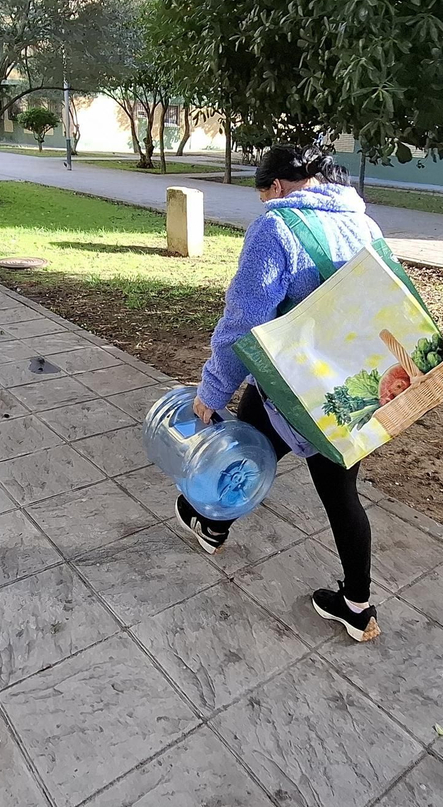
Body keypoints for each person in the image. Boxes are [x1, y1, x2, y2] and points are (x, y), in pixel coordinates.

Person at [177, 144, 384, 642]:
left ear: (274, 187)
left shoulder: (275, 227)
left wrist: (213, 389)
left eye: (262, 194)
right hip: (352, 388)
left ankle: (209, 523)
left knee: (240, 454)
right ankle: (357, 607)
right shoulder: (363, 223)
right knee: (341, 494)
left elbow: (243, 323)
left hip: (290, 385)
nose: (264, 202)